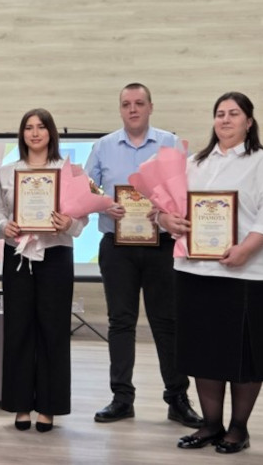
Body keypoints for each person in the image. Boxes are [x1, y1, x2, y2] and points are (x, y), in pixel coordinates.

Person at [161, 92, 263, 455]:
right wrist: (165, 219)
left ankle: (238, 428)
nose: (226, 119)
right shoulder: (194, 163)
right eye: (220, 113)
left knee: (246, 356)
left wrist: (246, 249)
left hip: (251, 275)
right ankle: (210, 424)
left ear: (249, 122)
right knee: (204, 352)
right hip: (196, 272)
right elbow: (166, 207)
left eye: (234, 114)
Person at [86, 82, 198, 429]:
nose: (132, 109)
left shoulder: (170, 143)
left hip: (161, 246)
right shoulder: (103, 146)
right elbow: (86, 189)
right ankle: (122, 399)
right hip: (116, 247)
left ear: (151, 106)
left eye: (138, 103)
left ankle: (177, 399)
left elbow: (187, 190)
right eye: (126, 104)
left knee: (167, 323)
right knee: (120, 322)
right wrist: (104, 204)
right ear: (120, 109)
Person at [0, 107, 87, 431]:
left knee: (53, 330)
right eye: (29, 127)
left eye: (41, 127)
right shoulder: (7, 172)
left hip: (56, 254)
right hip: (18, 256)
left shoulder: (68, 171)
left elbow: (83, 218)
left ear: (51, 132)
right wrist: (3, 227)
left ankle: (48, 406)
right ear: (22, 134)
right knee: (18, 329)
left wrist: (69, 222)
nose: (34, 133)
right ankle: (20, 405)